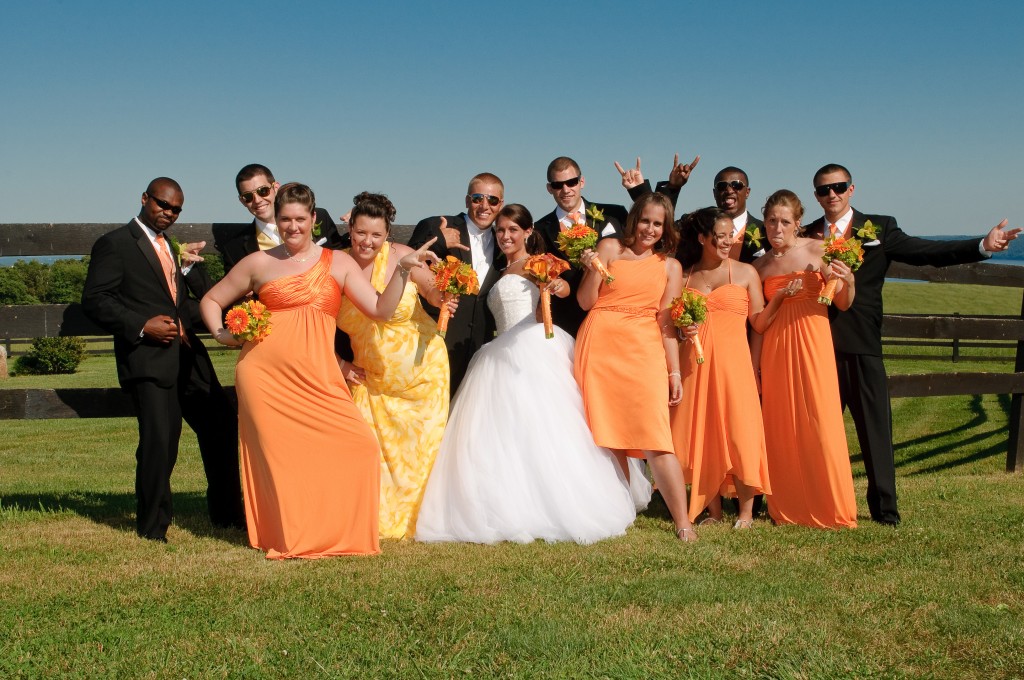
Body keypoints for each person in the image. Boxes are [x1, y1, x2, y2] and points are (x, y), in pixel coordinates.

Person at [199, 183, 437, 559]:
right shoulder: (258, 263)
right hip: (264, 375)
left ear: (313, 219)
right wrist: (222, 333)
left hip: (319, 375)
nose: (292, 227)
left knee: (358, 447)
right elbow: (212, 299)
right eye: (284, 219)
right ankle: (292, 536)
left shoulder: (337, 262)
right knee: (283, 461)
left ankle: (337, 531)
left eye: (299, 219)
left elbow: (380, 310)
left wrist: (403, 272)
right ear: (276, 221)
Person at [416, 204, 648, 544]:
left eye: (513, 230)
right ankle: (507, 499)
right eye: (500, 231)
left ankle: (560, 499)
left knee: (547, 427)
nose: (506, 236)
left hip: (535, 346)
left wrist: (553, 288)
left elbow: (563, 287)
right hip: (499, 354)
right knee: (504, 434)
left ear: (528, 232)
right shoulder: (500, 268)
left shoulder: (538, 263)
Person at [804, 163, 1019, 526]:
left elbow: (926, 252)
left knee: (875, 430)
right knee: (812, 428)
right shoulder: (805, 232)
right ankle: (808, 503)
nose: (833, 195)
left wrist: (982, 246)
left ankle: (885, 511)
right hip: (814, 345)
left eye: (839, 187)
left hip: (862, 344)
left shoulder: (880, 229)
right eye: (824, 190)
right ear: (816, 196)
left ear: (852, 189)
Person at [81, 177, 244, 542]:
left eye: (175, 209)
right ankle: (153, 527)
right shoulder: (115, 244)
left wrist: (228, 319)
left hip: (189, 357)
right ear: (144, 198)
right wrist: (142, 325)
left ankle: (228, 515)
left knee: (221, 425)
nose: (168, 213)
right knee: (160, 442)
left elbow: (178, 302)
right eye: (162, 205)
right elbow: (95, 299)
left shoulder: (170, 246)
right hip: (149, 359)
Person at [574, 192, 698, 541]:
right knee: (606, 434)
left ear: (666, 228)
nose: (650, 229)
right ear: (634, 220)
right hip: (600, 346)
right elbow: (586, 301)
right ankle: (619, 513)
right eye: (645, 221)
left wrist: (674, 371)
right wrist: (591, 270)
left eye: (658, 224)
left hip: (644, 350)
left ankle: (682, 521)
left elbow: (667, 323)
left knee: (656, 437)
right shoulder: (609, 249)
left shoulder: (670, 267)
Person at [335, 192, 453, 540]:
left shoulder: (404, 256)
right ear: (350, 228)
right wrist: (339, 362)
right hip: (370, 379)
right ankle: (373, 520)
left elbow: (432, 291)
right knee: (368, 451)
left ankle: (423, 521)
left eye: (376, 234)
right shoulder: (335, 265)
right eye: (360, 233)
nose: (367, 242)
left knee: (421, 453)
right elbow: (315, 320)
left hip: (423, 373)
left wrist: (443, 295)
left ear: (387, 234)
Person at [751, 190, 858, 529]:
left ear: (798, 223)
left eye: (784, 221)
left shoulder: (819, 250)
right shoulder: (759, 266)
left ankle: (830, 505)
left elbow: (843, 303)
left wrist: (849, 280)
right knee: (780, 425)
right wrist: (754, 367)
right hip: (775, 348)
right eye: (771, 221)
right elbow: (757, 325)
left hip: (813, 344)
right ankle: (786, 506)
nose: (777, 227)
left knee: (820, 421)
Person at [671, 207, 778, 528]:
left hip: (735, 366)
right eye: (721, 236)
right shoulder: (686, 275)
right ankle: (713, 512)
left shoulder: (745, 273)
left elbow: (758, 323)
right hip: (695, 367)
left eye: (731, 235)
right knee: (704, 434)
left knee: (740, 433)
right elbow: (674, 325)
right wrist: (682, 329)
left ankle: (745, 513)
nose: (728, 241)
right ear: (703, 238)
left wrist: (782, 299)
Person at [408, 173, 506, 395]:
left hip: (480, 347)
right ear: (466, 200)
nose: (484, 206)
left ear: (501, 204)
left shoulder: (504, 240)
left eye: (492, 200)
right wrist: (441, 241)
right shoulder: (437, 225)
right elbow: (407, 262)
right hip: (436, 341)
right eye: (477, 198)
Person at [534, 156, 628, 337]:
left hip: (614, 321)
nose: (565, 189)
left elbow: (656, 232)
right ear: (549, 188)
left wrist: (638, 190)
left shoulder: (615, 214)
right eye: (557, 185)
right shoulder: (539, 230)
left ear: (581, 181)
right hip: (567, 326)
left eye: (571, 182)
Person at [621, 157, 769, 261]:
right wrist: (672, 188)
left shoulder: (766, 231)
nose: (729, 190)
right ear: (714, 193)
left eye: (737, 185)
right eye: (722, 186)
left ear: (747, 192)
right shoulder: (694, 224)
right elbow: (663, 235)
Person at [214, 163, 347, 274]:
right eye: (248, 197)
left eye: (262, 191)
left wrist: (361, 213)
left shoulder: (320, 217)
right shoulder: (234, 250)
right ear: (242, 201)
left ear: (275, 187)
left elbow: (345, 253)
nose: (257, 200)